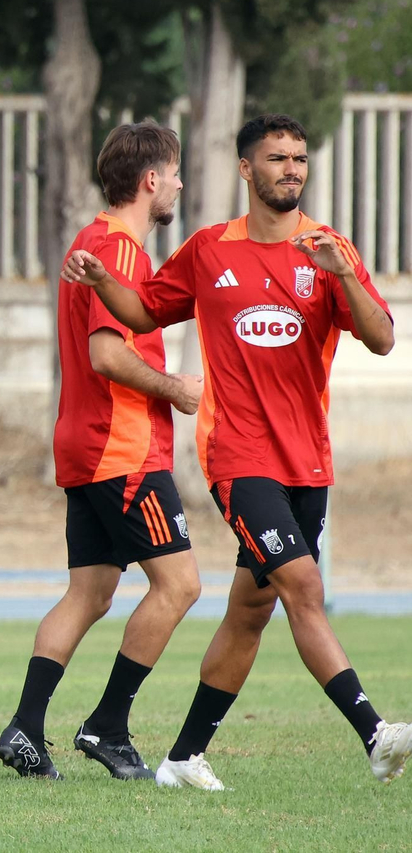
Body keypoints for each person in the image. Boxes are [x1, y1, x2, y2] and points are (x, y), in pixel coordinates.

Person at [63, 113, 412, 790]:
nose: (292, 169)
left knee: (252, 610)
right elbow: (140, 313)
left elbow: (382, 338)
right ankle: (375, 733)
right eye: (277, 158)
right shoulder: (208, 250)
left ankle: (185, 755)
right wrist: (100, 280)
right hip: (237, 456)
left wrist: (341, 277)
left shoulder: (329, 247)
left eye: (300, 159)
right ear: (247, 170)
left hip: (307, 461)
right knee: (303, 586)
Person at [0, 121, 203, 781]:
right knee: (181, 585)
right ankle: (108, 726)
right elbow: (107, 353)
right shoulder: (118, 248)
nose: (178, 183)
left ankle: (25, 728)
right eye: (173, 173)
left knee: (90, 592)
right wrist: (176, 389)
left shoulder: (89, 239)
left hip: (83, 444)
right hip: (122, 449)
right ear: (150, 181)